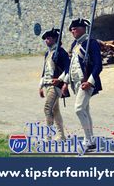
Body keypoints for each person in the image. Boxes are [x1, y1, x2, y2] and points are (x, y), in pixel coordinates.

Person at [62, 18, 102, 152]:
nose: (73, 30)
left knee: (79, 109)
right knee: (85, 110)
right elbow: (71, 65)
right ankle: (91, 141)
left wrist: (89, 82)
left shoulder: (91, 42)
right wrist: (65, 82)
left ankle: (87, 140)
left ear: (83, 29)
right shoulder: (74, 44)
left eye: (76, 28)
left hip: (87, 82)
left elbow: (98, 65)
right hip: (76, 83)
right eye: (72, 29)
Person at [39, 28, 70, 141]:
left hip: (55, 85)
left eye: (48, 38)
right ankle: (61, 136)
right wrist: (41, 86)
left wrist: (60, 80)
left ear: (55, 39)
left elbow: (68, 68)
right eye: (46, 39)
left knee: (47, 109)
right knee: (55, 110)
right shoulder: (48, 53)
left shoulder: (61, 52)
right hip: (47, 85)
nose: (46, 40)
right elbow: (45, 70)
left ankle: (48, 136)